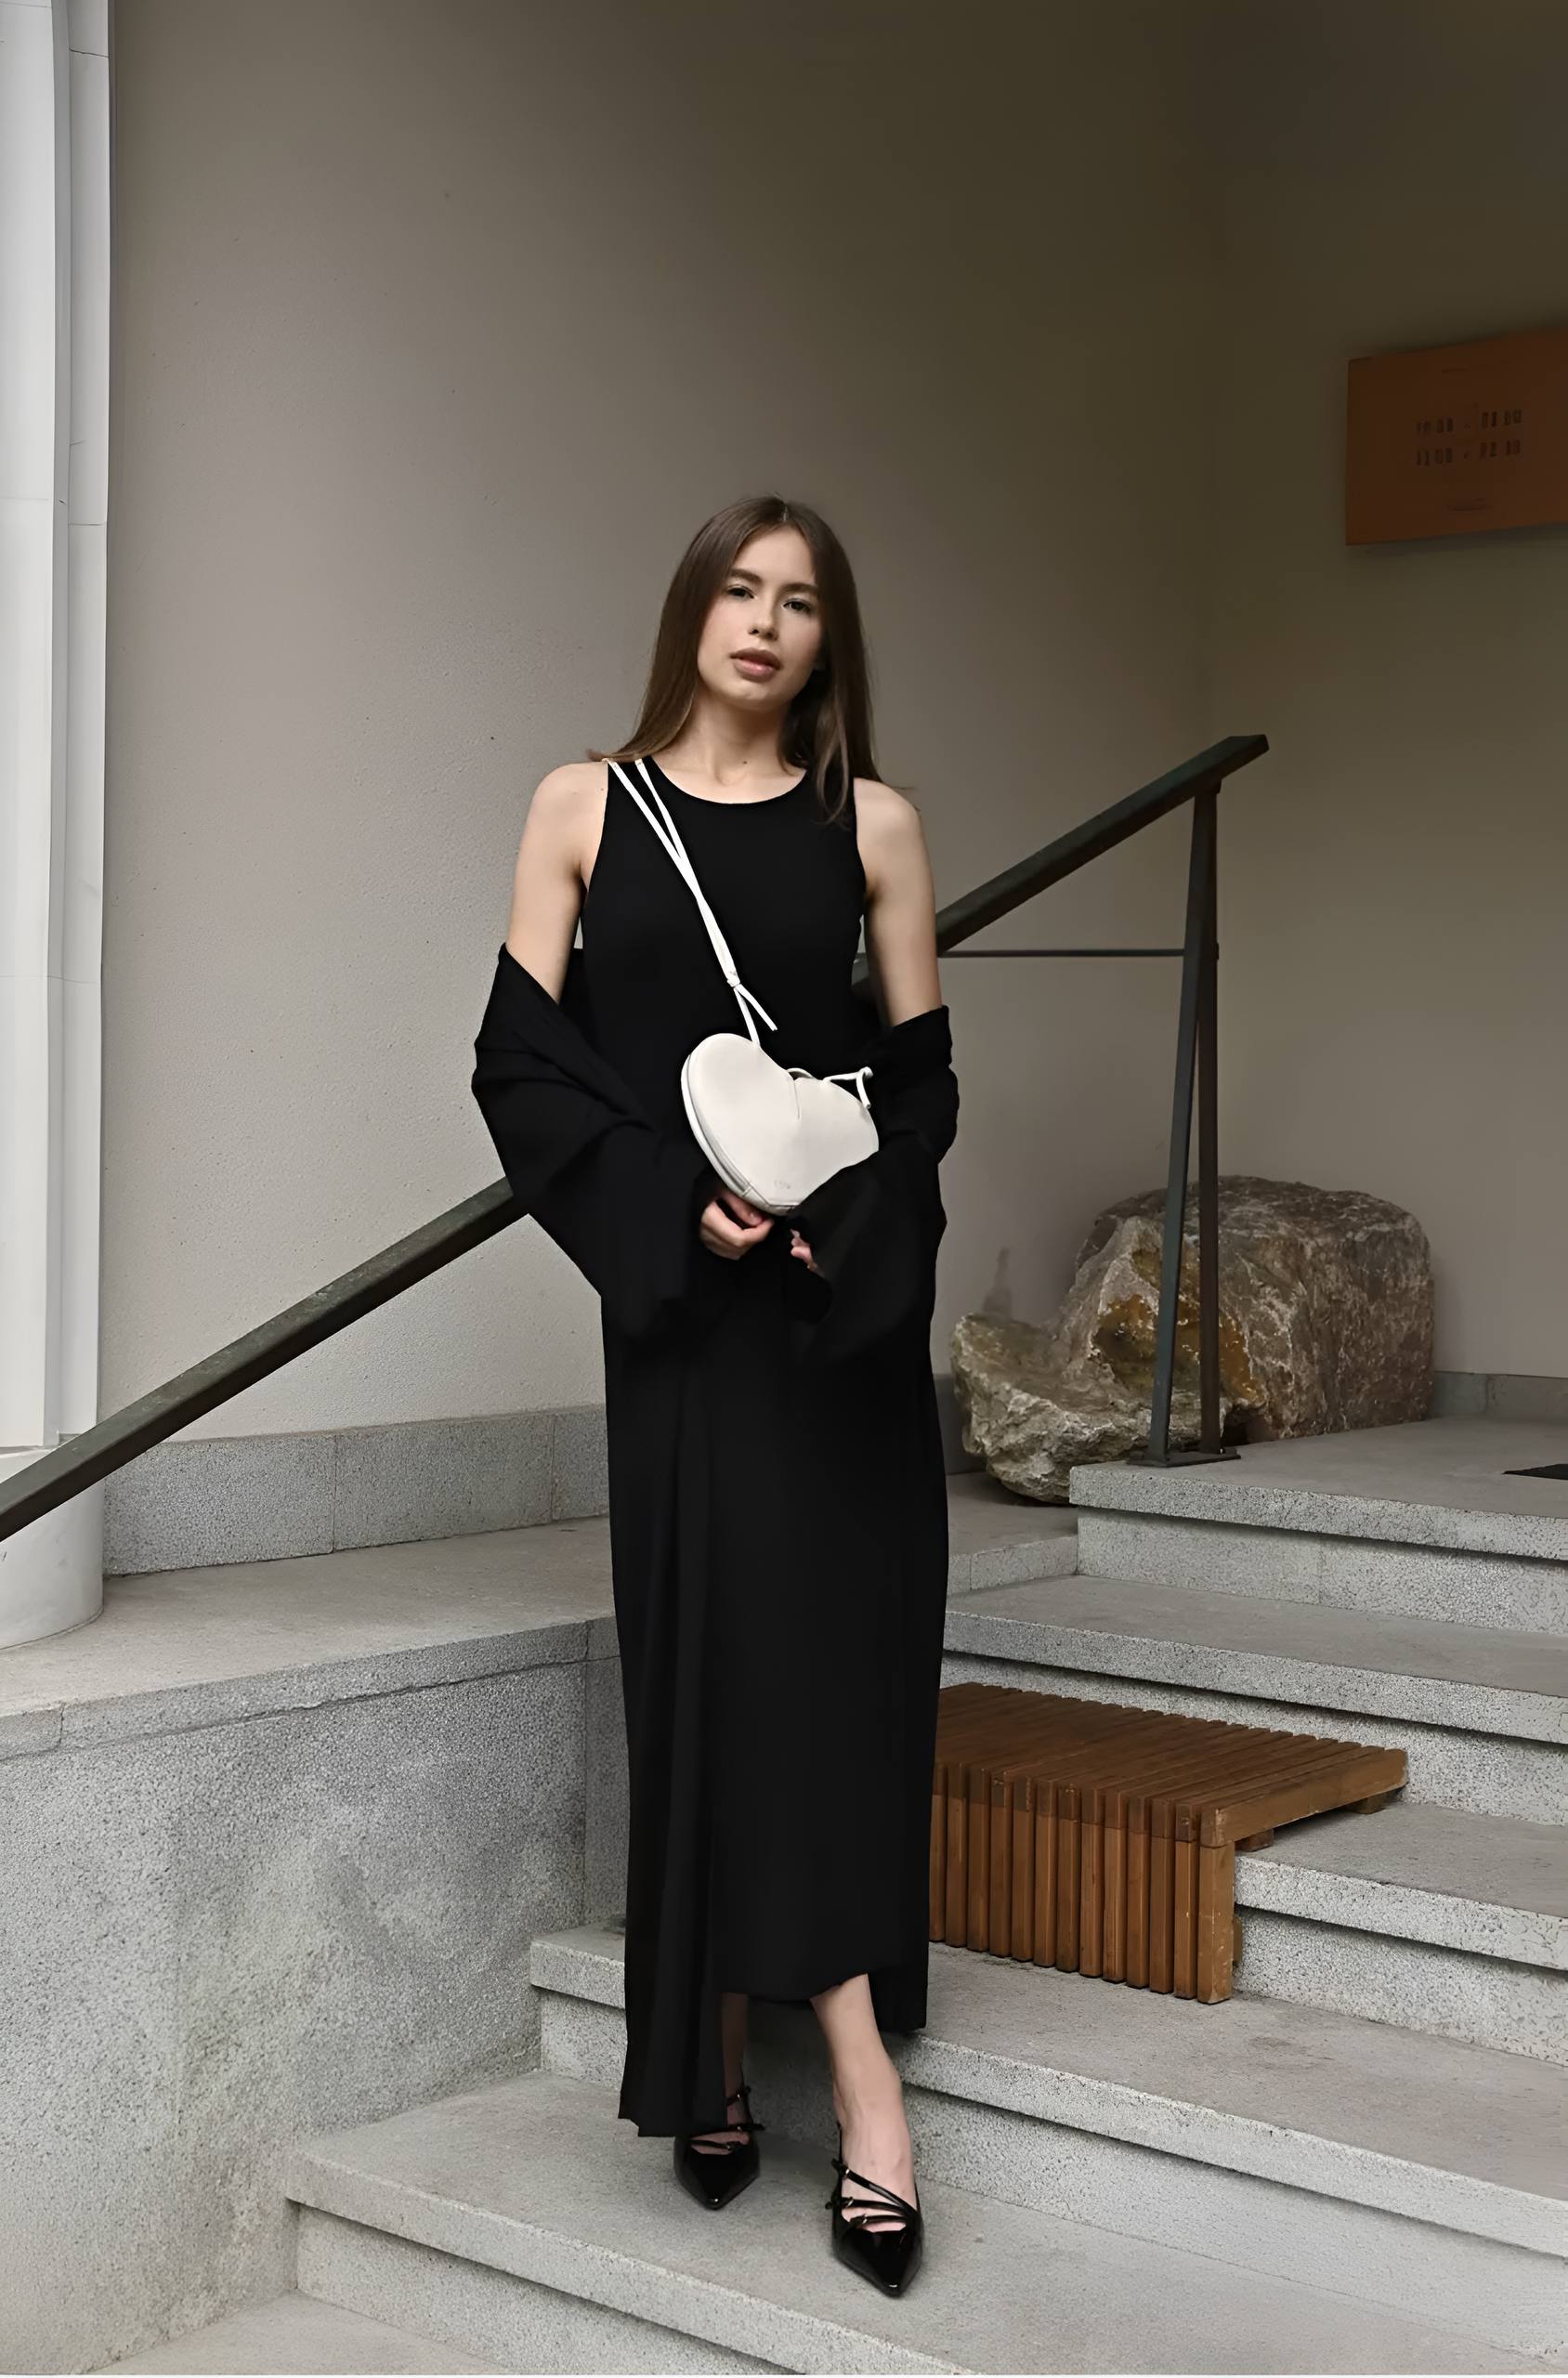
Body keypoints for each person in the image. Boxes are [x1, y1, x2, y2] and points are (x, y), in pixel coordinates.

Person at [471, 493, 959, 2296]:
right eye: (738, 590)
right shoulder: (581, 808)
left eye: (801, 601)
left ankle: (829, 2069)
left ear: (831, 639)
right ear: (690, 610)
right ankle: (791, 2060)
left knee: (832, 1676)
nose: (763, 622)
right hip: (684, 1316)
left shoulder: (876, 826)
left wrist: (848, 1228)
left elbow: (919, 1089)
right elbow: (520, 1061)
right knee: (721, 1668)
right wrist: (676, 1207)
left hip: (835, 1333)